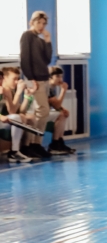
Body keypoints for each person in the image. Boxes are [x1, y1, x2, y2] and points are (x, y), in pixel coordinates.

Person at [19, 11, 53, 159]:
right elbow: (24, 59)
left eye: (44, 23)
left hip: (44, 78)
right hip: (35, 79)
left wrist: (48, 41)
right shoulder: (27, 36)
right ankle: (34, 144)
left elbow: (47, 59)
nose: (41, 26)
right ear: (31, 22)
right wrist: (30, 78)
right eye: (38, 22)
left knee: (38, 113)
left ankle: (33, 144)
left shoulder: (40, 39)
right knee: (43, 110)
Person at [0, 67, 33, 163]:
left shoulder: (8, 90)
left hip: (4, 121)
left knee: (18, 117)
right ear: (5, 78)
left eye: (17, 79)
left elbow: (13, 111)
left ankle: (15, 151)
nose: (16, 81)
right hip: (2, 119)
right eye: (14, 79)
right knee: (18, 117)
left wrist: (25, 96)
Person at [45, 67, 75, 155]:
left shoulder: (51, 88)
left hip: (45, 112)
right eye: (57, 76)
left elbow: (55, 105)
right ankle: (54, 144)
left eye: (61, 76)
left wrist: (63, 109)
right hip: (37, 114)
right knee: (61, 115)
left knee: (63, 114)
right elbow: (57, 105)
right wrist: (63, 91)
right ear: (50, 77)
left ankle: (59, 142)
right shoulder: (47, 88)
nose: (60, 79)